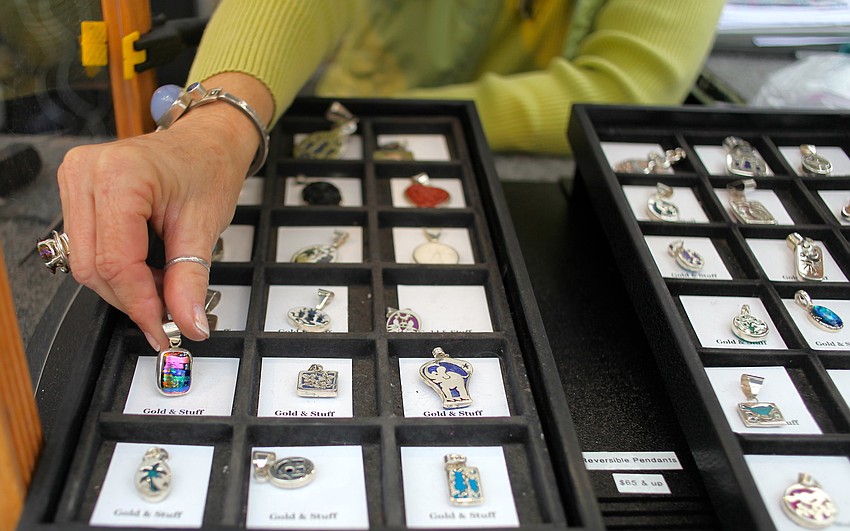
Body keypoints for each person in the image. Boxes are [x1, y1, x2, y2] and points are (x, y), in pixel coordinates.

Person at [55, 0, 724, 351]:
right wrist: (218, 127)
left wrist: (399, 118)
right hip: (343, 130)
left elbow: (627, 84)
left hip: (510, 167)